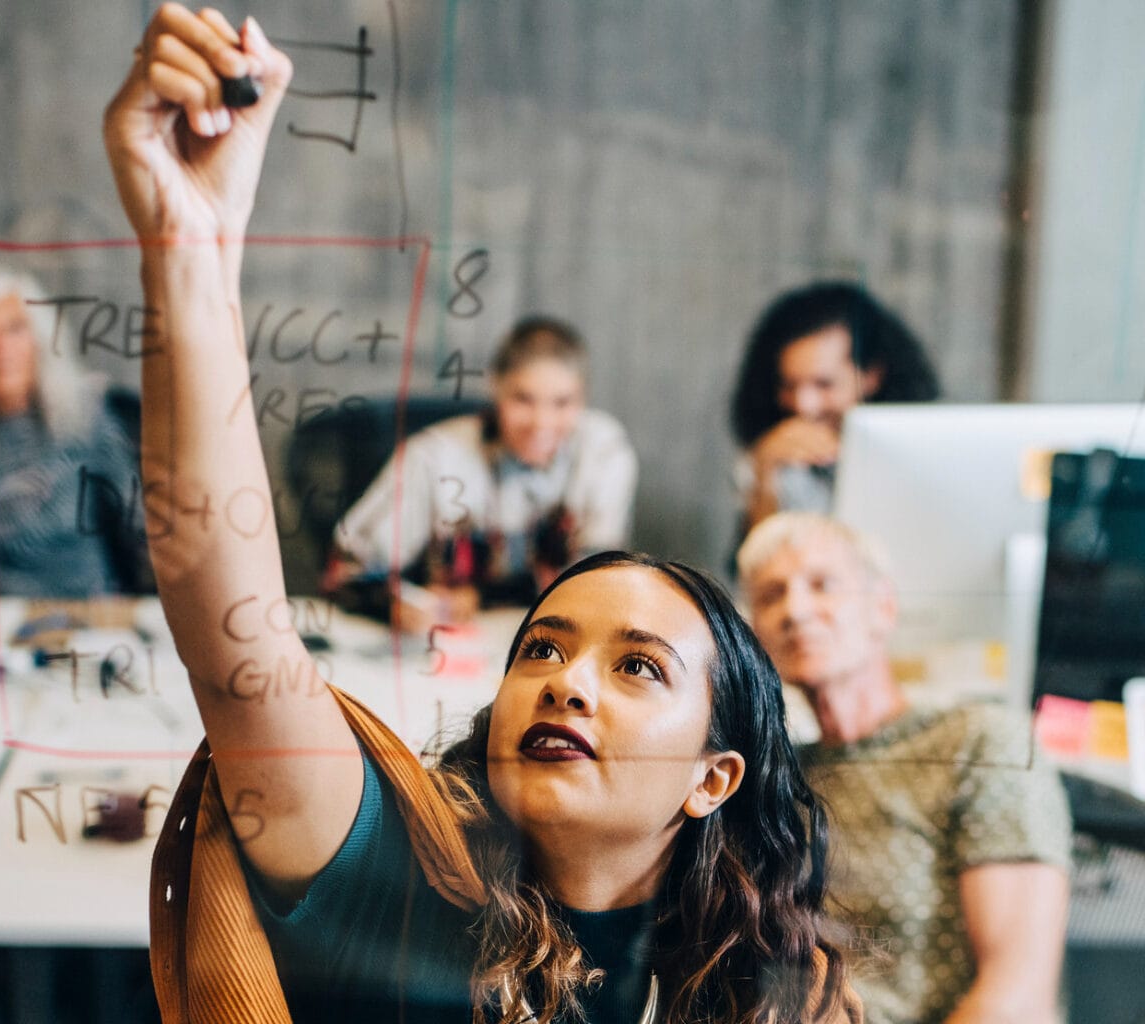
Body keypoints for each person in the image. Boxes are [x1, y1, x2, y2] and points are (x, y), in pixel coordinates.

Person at [101, 8, 859, 1023]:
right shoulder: (390, 883)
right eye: (540, 649)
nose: (564, 682)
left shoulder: (762, 990)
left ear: (714, 775)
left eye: (637, 666)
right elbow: (224, 602)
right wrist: (190, 244)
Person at [737, 514, 1069, 1024]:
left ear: (883, 609)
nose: (795, 610)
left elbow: (1017, 996)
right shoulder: (778, 776)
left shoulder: (977, 744)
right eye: (770, 595)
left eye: (822, 585)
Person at [326, 315, 639, 632]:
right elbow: (346, 572)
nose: (541, 422)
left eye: (562, 402)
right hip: (440, 646)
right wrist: (394, 606)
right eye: (523, 399)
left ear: (582, 399)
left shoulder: (603, 451)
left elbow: (597, 581)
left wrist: (479, 597)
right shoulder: (435, 457)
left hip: (544, 640)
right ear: (496, 388)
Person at [0, 268, 154, 597]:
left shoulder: (85, 415)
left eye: (15, 329)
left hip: (102, 609)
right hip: (10, 620)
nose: (0, 347)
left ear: (39, 339)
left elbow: (138, 528)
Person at [729, 282, 940, 529]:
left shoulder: (923, 454)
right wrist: (764, 477)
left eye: (824, 384)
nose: (803, 405)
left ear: (871, 376)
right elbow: (758, 565)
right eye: (788, 385)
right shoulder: (768, 456)